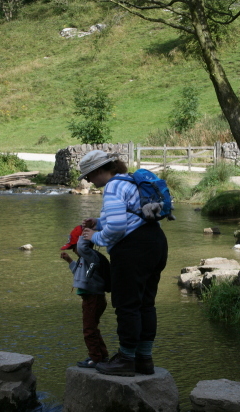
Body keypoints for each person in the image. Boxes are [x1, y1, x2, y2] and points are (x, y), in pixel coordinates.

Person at [79, 150, 168, 377]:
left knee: (127, 305)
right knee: (146, 303)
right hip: (156, 242)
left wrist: (95, 236)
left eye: (88, 175)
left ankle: (126, 359)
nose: (88, 180)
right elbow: (130, 216)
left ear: (100, 170)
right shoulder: (129, 182)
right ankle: (144, 359)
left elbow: (118, 228)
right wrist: (99, 222)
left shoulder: (112, 187)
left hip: (133, 249)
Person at [60, 224, 110, 368]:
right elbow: (80, 274)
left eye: (73, 247)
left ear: (83, 244)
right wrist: (69, 261)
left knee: (88, 330)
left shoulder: (91, 257)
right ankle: (102, 355)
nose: (73, 250)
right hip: (90, 298)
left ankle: (95, 358)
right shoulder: (84, 260)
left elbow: (82, 247)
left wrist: (84, 234)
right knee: (93, 328)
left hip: (93, 298)